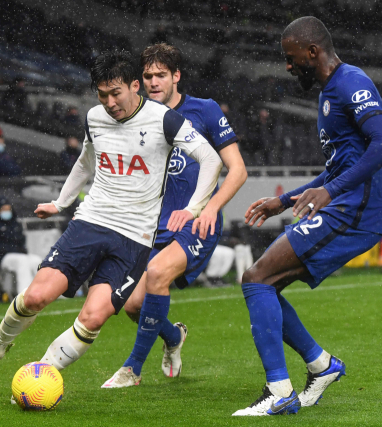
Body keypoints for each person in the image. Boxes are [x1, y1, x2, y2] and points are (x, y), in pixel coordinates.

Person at [0, 50, 223, 386]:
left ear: (134, 86)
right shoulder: (94, 117)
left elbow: (211, 160)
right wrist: (60, 202)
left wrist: (193, 208)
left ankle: (41, 377)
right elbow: (85, 161)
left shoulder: (164, 119)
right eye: (102, 94)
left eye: (116, 93)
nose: (109, 102)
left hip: (135, 238)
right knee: (36, 296)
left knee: (93, 317)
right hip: (90, 222)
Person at [234, 17, 382, 416]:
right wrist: (287, 200)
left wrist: (331, 192)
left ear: (313, 52)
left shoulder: (351, 83)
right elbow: (344, 163)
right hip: (344, 206)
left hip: (354, 213)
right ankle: (322, 367)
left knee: (256, 278)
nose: (289, 67)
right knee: (264, 284)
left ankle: (279, 391)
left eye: (291, 59)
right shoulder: (330, 91)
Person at [102, 43, 247, 388]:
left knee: (157, 272)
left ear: (176, 76)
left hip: (196, 222)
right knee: (133, 306)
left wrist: (210, 207)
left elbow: (238, 170)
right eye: (147, 75)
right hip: (154, 226)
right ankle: (173, 337)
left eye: (160, 75)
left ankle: (131, 370)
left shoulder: (205, 111)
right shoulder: (138, 119)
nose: (153, 81)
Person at [0, 196, 41, 296]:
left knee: (37, 261)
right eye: (3, 209)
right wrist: (14, 249)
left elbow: (21, 241)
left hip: (19, 255)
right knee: (22, 262)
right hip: (2, 257)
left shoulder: (15, 223)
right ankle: (25, 295)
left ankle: (42, 292)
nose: (7, 211)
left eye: (8, 209)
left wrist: (20, 250)